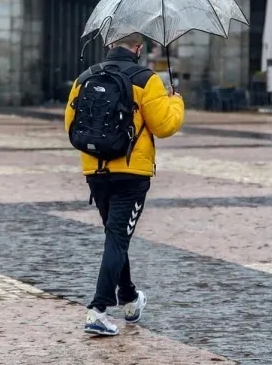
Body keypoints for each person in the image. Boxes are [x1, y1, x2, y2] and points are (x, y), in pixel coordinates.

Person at [64, 33, 185, 336]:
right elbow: (164, 126)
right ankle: (98, 310)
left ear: (109, 45)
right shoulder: (146, 79)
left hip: (95, 170)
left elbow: (70, 124)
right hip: (131, 173)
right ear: (138, 48)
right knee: (118, 237)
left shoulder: (85, 78)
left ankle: (129, 297)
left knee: (116, 236)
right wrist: (176, 102)